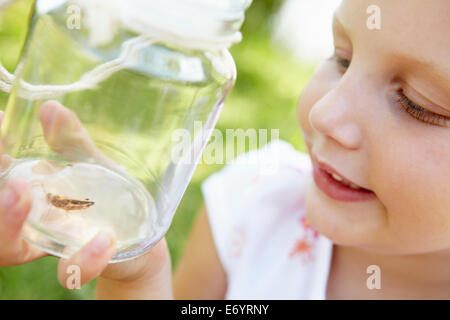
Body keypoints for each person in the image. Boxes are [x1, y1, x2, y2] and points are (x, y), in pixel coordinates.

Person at [1, 0, 449, 299]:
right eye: (342, 58)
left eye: (419, 104)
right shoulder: (252, 209)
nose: (325, 116)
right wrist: (139, 275)